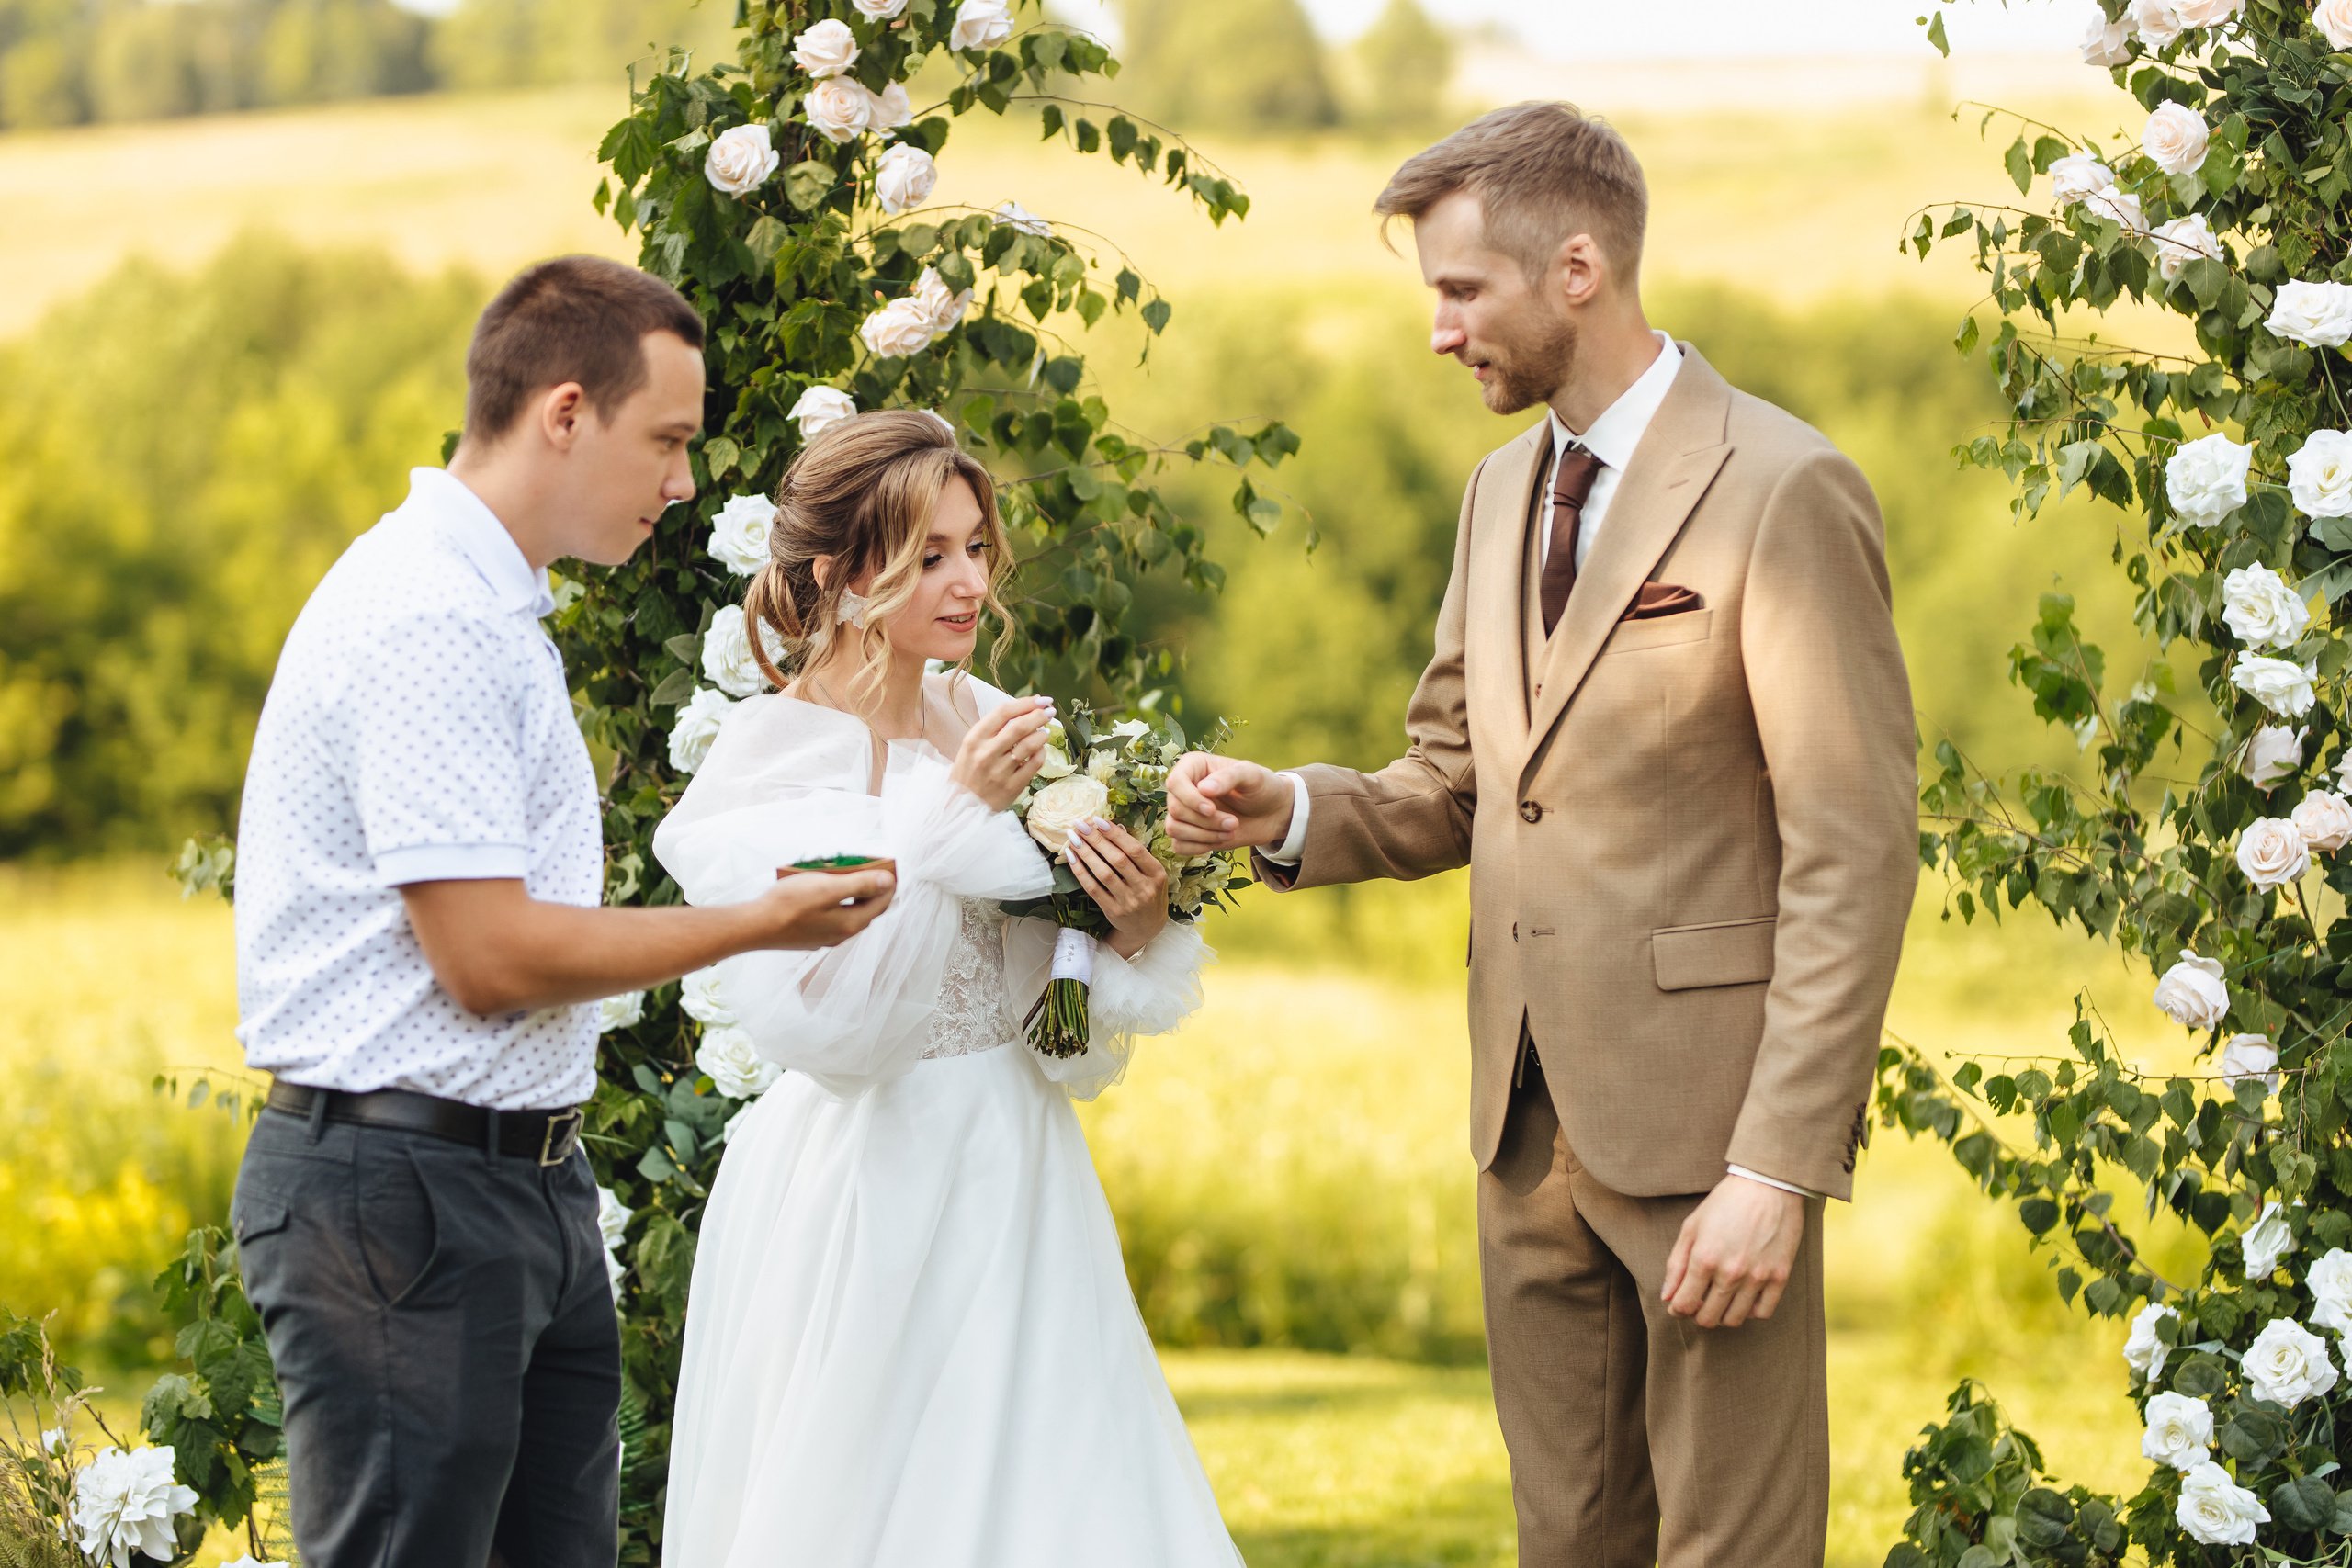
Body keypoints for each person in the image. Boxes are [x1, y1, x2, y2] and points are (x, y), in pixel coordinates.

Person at [1166, 102, 1917, 1565]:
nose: (1440, 331)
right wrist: (1293, 805)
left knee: (1732, 1548)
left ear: (1578, 268)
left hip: (1712, 1140)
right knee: (1562, 1538)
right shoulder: (1501, 490)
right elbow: (1458, 776)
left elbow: (1856, 851)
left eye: (1461, 291)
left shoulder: (1783, 487)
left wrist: (1777, 1169)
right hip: (1523, 1129)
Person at [227, 254, 895, 1568]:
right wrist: (763, 918)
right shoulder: (431, 616)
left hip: (513, 1184)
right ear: (567, 411)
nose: (685, 482)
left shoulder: (486, 607)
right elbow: (489, 955)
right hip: (402, 1202)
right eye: (670, 439)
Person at [653, 410, 1238, 1568]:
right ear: (839, 572)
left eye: (975, 547)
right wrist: (951, 813)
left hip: (1019, 1164)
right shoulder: (775, 753)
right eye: (929, 556)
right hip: (870, 1177)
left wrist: (1121, 928)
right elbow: (839, 1033)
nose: (969, 581)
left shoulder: (984, 719)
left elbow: (1053, 1026)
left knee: (1060, 1493)